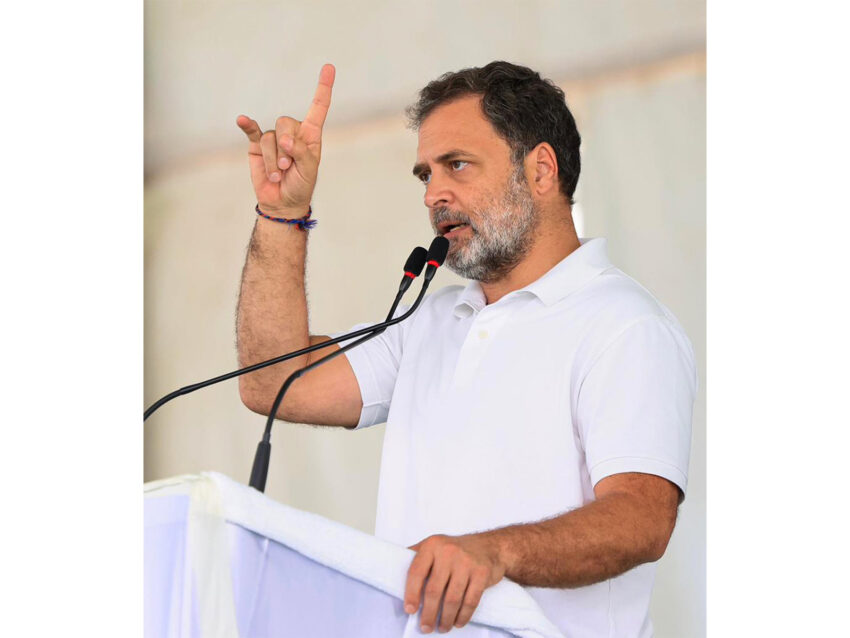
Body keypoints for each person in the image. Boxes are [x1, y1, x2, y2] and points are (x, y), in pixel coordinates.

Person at [235, 61, 696, 637]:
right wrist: (282, 214)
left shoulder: (625, 324)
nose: (434, 194)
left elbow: (642, 517)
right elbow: (274, 383)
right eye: (424, 175)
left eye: (456, 164)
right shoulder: (428, 320)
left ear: (541, 170)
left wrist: (494, 553)